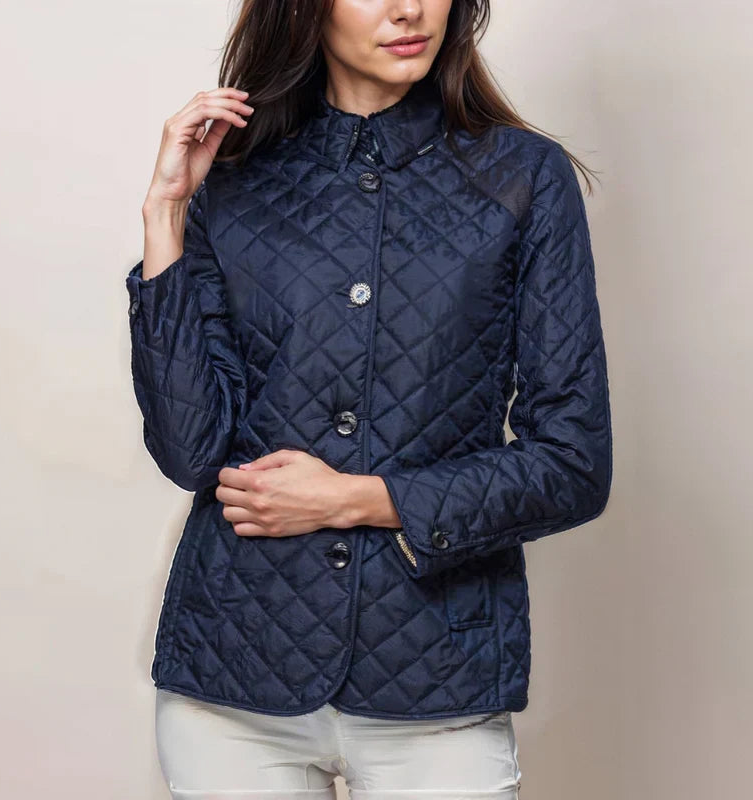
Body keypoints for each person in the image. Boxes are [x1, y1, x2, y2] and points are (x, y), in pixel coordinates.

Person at [124, 0, 613, 797]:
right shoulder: (233, 178)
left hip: (438, 670)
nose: (409, 8)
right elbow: (190, 451)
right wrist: (166, 213)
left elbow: (574, 463)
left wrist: (359, 499)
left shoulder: (523, 176)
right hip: (236, 676)